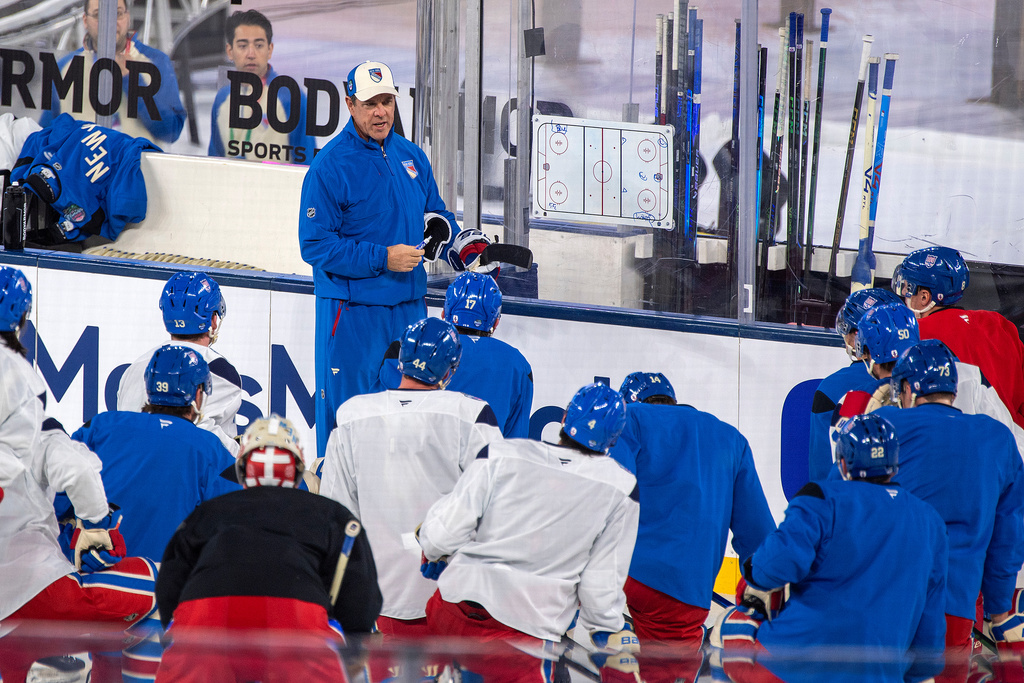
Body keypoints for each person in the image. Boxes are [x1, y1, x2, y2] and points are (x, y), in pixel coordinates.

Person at [298, 59, 493, 459]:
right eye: (370, 103)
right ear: (350, 104)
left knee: (409, 428)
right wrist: (382, 258)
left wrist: (449, 237)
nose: (380, 111)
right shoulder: (329, 166)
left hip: (408, 310)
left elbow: (435, 213)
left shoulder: (412, 157)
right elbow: (315, 246)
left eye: (386, 101)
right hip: (352, 315)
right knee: (346, 423)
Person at [417, 382, 641, 683]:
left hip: (452, 611)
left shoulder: (500, 453)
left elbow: (443, 535)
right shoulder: (621, 489)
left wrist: (434, 552)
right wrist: (610, 630)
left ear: (563, 419)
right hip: (525, 634)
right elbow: (599, 590)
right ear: (612, 441)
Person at [0, 266, 160, 683]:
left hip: (16, 612)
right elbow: (72, 466)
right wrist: (95, 522)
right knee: (163, 582)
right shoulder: (23, 398)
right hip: (30, 589)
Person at [319, 317, 502, 677]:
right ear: (451, 369)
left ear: (401, 360)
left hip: (376, 600)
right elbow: (496, 510)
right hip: (450, 598)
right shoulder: (472, 415)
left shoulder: (352, 415)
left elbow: (337, 515)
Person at [713, 413, 948, 683]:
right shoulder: (931, 521)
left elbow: (770, 568)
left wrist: (752, 573)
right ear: (894, 463)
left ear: (843, 462)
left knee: (730, 625)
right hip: (879, 675)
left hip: (792, 667)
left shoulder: (822, 499)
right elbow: (929, 640)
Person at [155, 415, 382, 683]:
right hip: (297, 619)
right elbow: (360, 594)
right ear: (297, 471)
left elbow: (170, 583)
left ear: (242, 471)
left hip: (207, 618)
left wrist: (179, 629)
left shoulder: (207, 513)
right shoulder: (333, 515)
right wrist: (353, 644)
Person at [872, 340, 1024, 682]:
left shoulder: (886, 424)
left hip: (884, 595)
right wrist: (999, 608)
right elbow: (1008, 535)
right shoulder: (998, 440)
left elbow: (840, 501)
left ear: (908, 389)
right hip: (955, 604)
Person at [610, 371, 776, 683]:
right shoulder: (731, 439)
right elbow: (758, 537)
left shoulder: (628, 418)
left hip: (621, 572)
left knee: (599, 632)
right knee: (667, 672)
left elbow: (607, 485)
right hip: (682, 592)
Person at [73, 343, 240, 561]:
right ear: (198, 394)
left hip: (97, 582)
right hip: (164, 586)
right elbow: (239, 521)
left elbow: (55, 493)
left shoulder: (100, 427)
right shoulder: (209, 448)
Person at [840, 302, 1024, 457]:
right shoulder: (968, 374)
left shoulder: (854, 400)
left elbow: (844, 471)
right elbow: (1011, 442)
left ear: (870, 353)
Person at [379, 271, 533, 437]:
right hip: (483, 460)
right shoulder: (519, 365)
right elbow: (515, 441)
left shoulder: (408, 347)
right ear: (495, 322)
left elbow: (379, 412)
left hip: (417, 456)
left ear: (444, 313)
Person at [893, 245, 1024, 429]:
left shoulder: (914, 334)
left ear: (924, 297)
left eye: (907, 288)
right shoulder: (1000, 324)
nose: (904, 295)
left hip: (957, 442)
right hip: (1013, 444)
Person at [117, 271, 242, 456]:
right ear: (213, 320)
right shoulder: (220, 370)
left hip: (130, 466)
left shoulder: (135, 366)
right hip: (185, 473)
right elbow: (206, 441)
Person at [39, 0, 186, 145]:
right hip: (82, 167)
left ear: (128, 17)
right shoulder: (66, 67)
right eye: (98, 15)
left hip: (136, 167)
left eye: (118, 13)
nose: (109, 21)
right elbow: (45, 136)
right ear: (85, 20)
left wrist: (132, 80)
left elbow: (171, 131)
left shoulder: (156, 61)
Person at [808, 287, 903, 481]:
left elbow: (823, 469)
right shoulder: (920, 377)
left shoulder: (832, 389)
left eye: (849, 329)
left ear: (860, 336)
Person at [209, 10, 318, 164]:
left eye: (259, 45)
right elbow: (214, 162)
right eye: (242, 46)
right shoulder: (222, 98)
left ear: (270, 50)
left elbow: (307, 164)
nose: (251, 54)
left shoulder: (290, 96)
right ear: (230, 51)